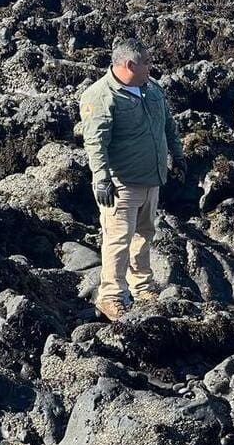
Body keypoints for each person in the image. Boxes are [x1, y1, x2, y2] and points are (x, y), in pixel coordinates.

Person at [79, 37, 186, 322]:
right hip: (121, 183)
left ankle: (142, 287)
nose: (151, 66)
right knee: (117, 240)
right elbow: (95, 143)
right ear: (129, 65)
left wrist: (177, 156)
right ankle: (111, 297)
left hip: (152, 179)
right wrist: (101, 180)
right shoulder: (101, 96)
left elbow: (169, 126)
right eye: (147, 62)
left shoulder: (152, 90)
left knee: (145, 234)